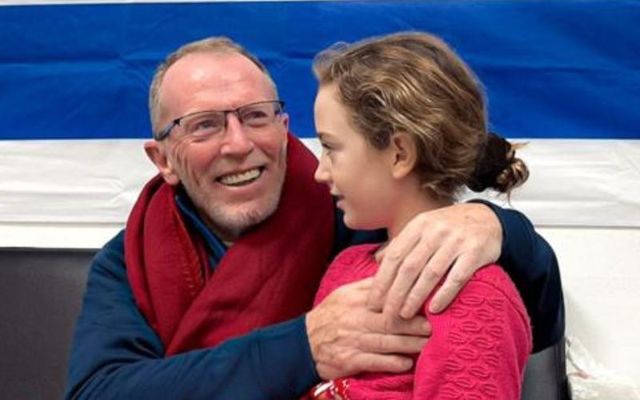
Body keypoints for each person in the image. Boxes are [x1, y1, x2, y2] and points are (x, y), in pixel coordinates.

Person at [65, 36, 563, 399]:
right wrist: (302, 348)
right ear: (164, 159)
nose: (238, 144)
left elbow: (532, 320)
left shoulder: (355, 215)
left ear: (284, 126)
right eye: (205, 126)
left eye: (255, 116)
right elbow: (99, 392)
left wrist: (496, 226)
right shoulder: (132, 259)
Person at [305, 31, 542, 399]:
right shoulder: (346, 266)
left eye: (331, 148)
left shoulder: (473, 295)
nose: (321, 172)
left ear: (399, 153)